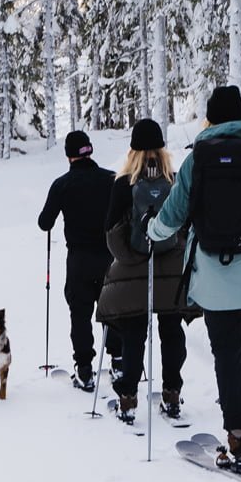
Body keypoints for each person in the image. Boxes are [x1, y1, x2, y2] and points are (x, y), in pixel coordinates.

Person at [147, 86, 241, 468]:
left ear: (211, 120)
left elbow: (172, 217)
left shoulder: (196, 161)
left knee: (226, 353)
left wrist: (151, 231)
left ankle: (236, 435)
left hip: (214, 276)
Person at [95, 119, 192, 422]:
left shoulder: (124, 183)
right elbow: (185, 225)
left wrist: (131, 257)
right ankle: (172, 393)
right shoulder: (174, 180)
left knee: (135, 333)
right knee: (172, 330)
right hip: (172, 272)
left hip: (135, 270)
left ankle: (128, 398)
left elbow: (111, 231)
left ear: (132, 150)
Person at [37, 130, 116, 391]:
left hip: (79, 259)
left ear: (69, 156)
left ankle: (84, 369)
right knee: (113, 310)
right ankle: (120, 361)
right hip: (109, 256)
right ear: (90, 150)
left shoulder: (62, 185)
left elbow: (44, 222)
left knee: (80, 313)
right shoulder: (110, 179)